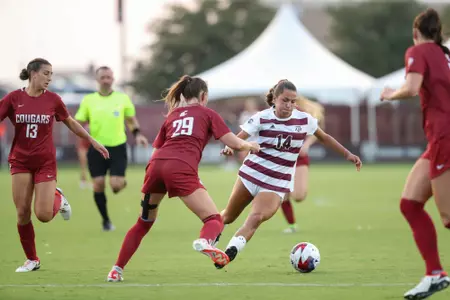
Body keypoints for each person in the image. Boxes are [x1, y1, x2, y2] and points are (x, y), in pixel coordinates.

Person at [106, 75, 260, 282]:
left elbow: (157, 149)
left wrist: (153, 176)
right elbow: (235, 143)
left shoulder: (173, 115)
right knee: (214, 219)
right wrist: (251, 146)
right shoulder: (207, 113)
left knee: (143, 222)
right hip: (180, 167)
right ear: (203, 96)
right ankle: (205, 242)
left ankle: (116, 269)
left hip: (155, 166)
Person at [215, 79, 361, 269]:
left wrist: (347, 154)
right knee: (229, 216)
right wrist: (229, 147)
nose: (289, 105)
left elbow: (325, 138)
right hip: (252, 174)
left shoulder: (304, 120)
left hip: (276, 182)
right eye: (285, 100)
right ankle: (209, 238)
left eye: (293, 101)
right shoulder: (261, 117)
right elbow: (238, 138)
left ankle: (228, 253)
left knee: (256, 217)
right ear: (275, 99)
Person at [0, 58, 109, 273]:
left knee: (43, 215)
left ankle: (57, 198)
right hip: (20, 161)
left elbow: (70, 122)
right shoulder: (13, 98)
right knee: (22, 213)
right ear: (33, 73)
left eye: (51, 74)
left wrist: (93, 141)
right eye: (46, 73)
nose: (50, 78)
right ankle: (32, 260)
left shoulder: (53, 100)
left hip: (45, 163)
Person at [380, 8, 450, 300]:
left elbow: (411, 88)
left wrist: (388, 94)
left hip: (445, 137)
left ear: (415, 32)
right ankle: (435, 274)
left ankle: (435, 274)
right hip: (438, 140)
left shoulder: (419, 50)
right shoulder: (444, 53)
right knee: (410, 204)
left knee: (448, 216)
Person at [75, 66, 148, 231]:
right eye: (103, 77)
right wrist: (81, 133)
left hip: (117, 147)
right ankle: (106, 221)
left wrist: (138, 134)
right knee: (98, 184)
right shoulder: (88, 100)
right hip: (97, 148)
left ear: (113, 79)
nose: (106, 80)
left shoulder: (122, 99)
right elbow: (78, 122)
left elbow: (131, 120)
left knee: (115, 186)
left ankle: (121, 182)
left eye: (109, 77)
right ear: (97, 80)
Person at [280, 96, 325, 233]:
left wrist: (306, 144)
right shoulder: (268, 114)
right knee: (282, 195)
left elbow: (317, 130)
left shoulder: (299, 112)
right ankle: (292, 226)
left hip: (298, 157)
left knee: (298, 196)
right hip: (280, 159)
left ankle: (292, 183)